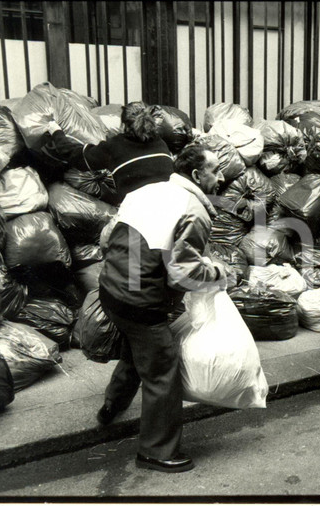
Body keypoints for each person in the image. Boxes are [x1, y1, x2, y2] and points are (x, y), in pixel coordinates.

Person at [96, 144, 226, 473]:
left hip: (111, 288)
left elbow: (106, 237)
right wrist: (218, 273)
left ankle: (112, 404)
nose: (222, 176)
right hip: (141, 300)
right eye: (216, 170)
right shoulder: (194, 210)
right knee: (162, 368)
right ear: (197, 175)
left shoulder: (148, 190)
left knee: (137, 347)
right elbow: (183, 274)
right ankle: (157, 451)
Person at [46, 101, 174, 203]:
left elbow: (76, 157)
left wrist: (56, 132)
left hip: (139, 214)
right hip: (170, 205)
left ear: (123, 126)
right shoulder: (161, 144)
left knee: (106, 234)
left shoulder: (115, 146)